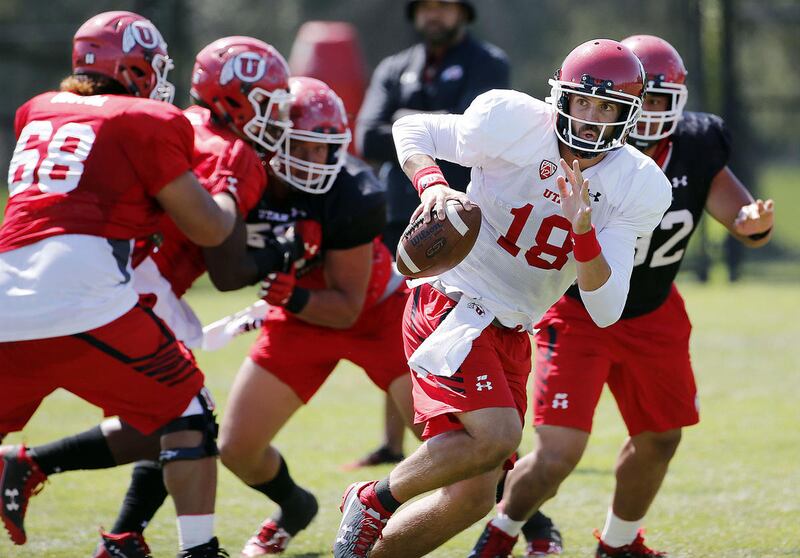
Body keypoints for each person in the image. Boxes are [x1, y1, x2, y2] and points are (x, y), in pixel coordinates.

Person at [332, 38, 672, 558]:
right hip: (453, 302)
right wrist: (432, 187)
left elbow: (605, 309)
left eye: (608, 107)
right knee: (498, 435)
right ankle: (373, 499)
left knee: (472, 497)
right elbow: (411, 127)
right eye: (583, 101)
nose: (591, 118)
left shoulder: (637, 184)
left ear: (629, 116)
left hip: (513, 328)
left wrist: (585, 232)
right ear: (561, 95)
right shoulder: (515, 121)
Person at [470, 35, 775, 558]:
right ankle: (500, 533)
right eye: (644, 98)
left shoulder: (698, 144)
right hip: (581, 309)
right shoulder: (587, 148)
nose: (652, 112)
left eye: (662, 100)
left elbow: (744, 220)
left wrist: (752, 223)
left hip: (654, 312)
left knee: (661, 437)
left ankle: (617, 543)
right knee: (557, 454)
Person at [0, 35, 303, 558]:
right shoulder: (227, 149)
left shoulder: (163, 124)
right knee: (186, 414)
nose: (276, 117)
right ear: (234, 99)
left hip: (40, 277)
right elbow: (226, 267)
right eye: (268, 103)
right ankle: (174, 546)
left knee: (169, 413)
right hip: (123, 286)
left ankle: (104, 523)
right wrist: (281, 253)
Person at [216, 75, 423, 557]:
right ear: (268, 140)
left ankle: (522, 516)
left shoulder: (352, 191)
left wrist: (287, 296)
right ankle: (293, 506)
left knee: (455, 443)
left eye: (323, 149)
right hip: (301, 318)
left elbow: (348, 303)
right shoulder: (242, 177)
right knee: (238, 447)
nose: (316, 163)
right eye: (302, 148)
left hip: (374, 314)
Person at [352, 0, 510, 469]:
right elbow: (368, 138)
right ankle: (396, 441)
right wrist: (428, 122)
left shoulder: (489, 62)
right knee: (398, 323)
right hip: (399, 216)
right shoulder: (395, 66)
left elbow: (475, 140)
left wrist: (409, 122)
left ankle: (469, 428)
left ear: (464, 11)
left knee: (459, 325)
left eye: (444, 5)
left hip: (462, 221)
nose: (434, 15)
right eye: (426, 7)